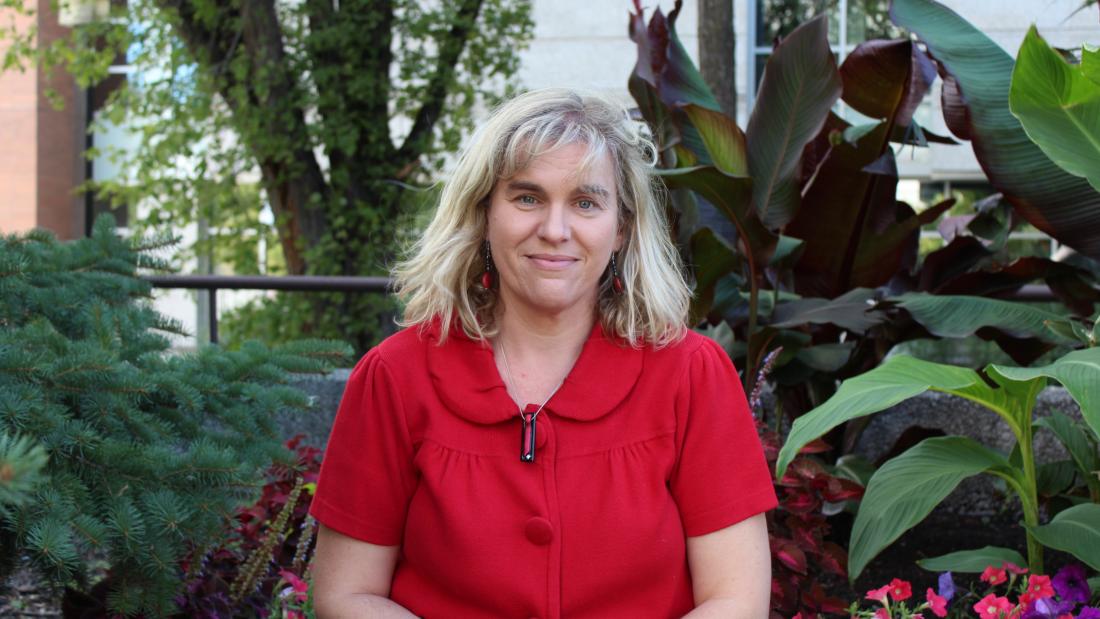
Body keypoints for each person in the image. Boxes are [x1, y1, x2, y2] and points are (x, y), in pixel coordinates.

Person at [309, 88, 777, 618]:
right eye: (527, 197)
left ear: (621, 228)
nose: (555, 231)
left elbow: (735, 600)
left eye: (585, 202)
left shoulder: (692, 374)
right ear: (484, 213)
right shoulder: (394, 376)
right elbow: (346, 595)